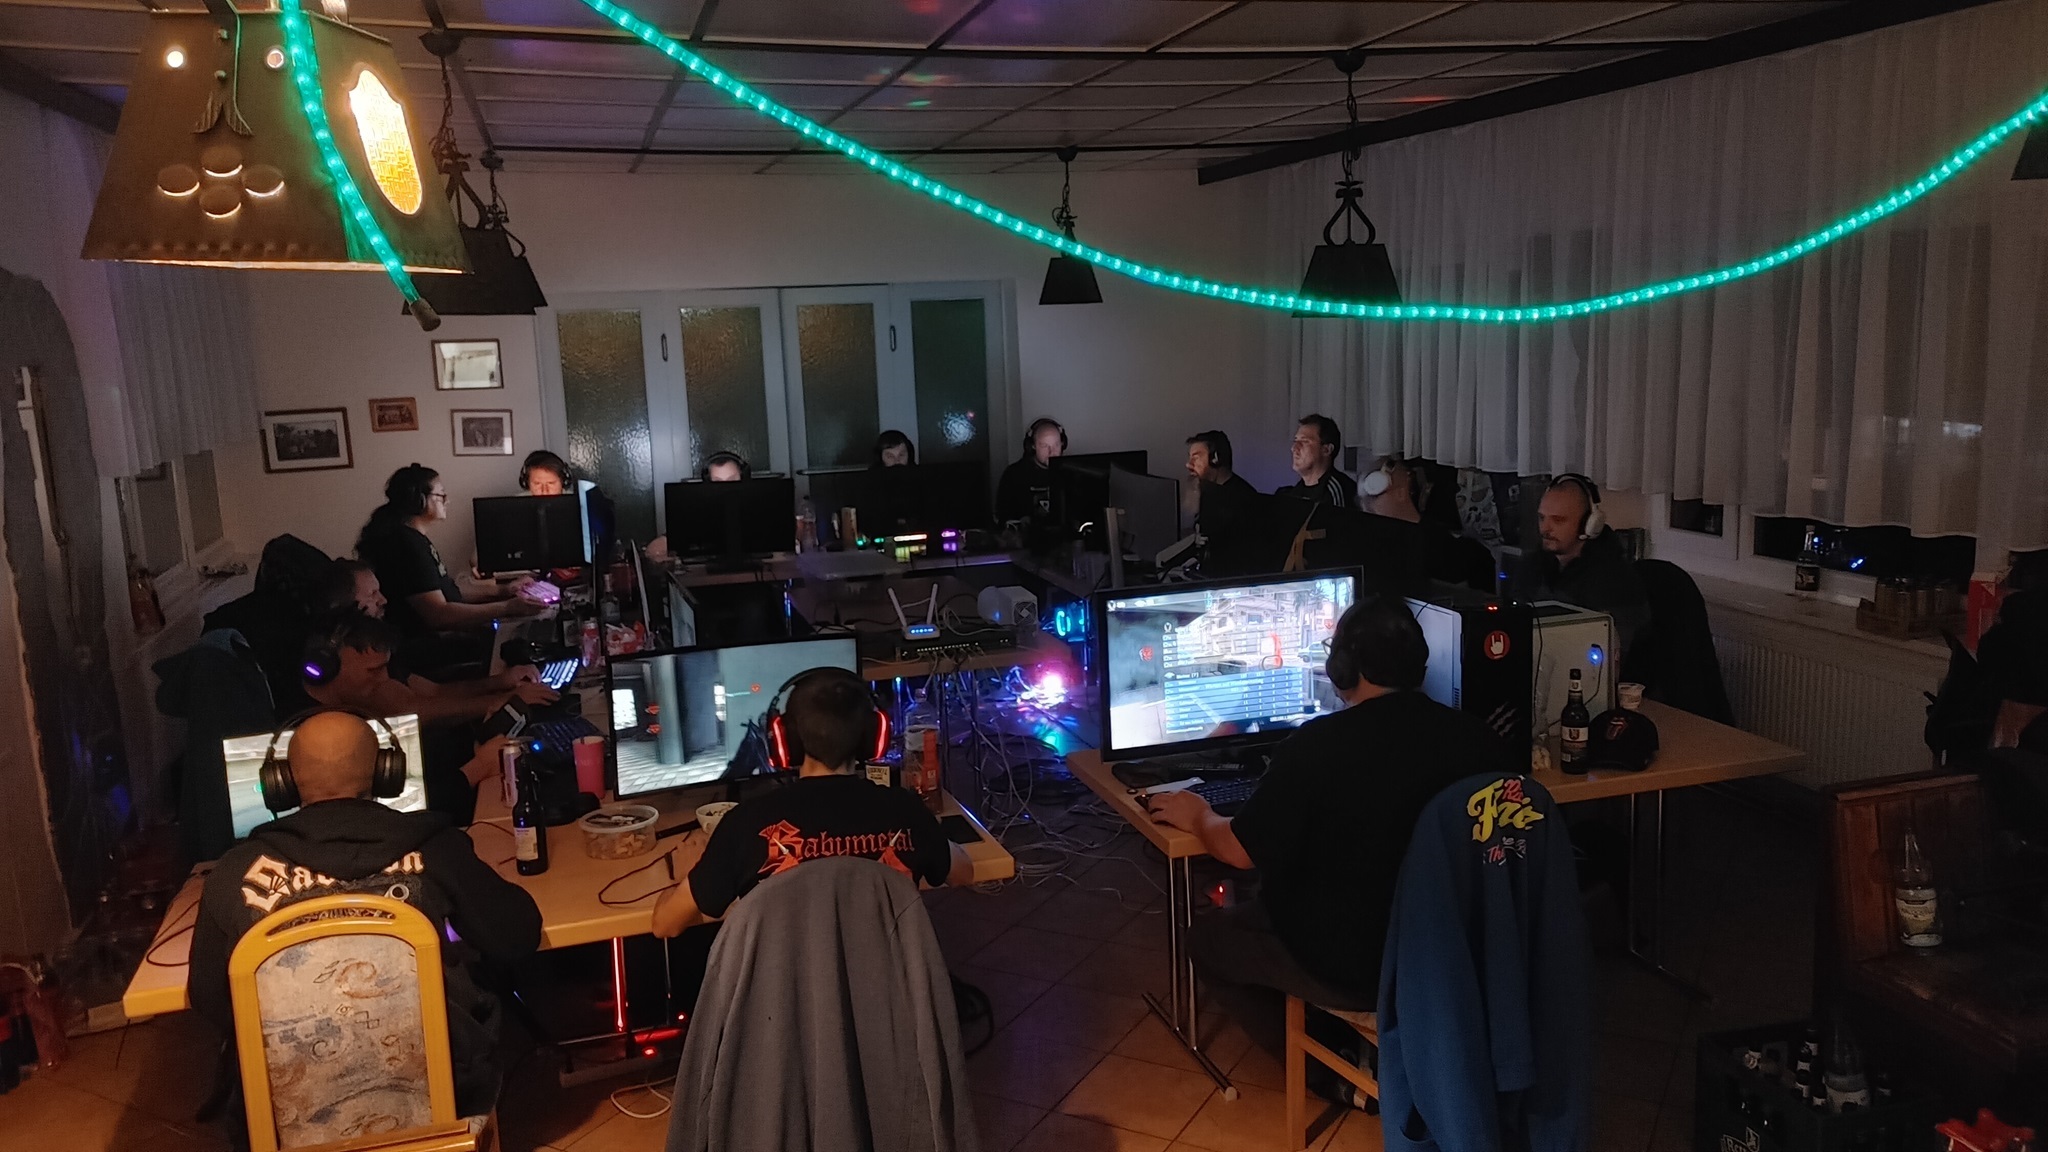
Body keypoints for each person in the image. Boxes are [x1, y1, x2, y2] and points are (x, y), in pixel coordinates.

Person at [1145, 596, 1513, 1102]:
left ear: (1342, 667)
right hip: (1458, 954)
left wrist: (1199, 815)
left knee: (1209, 939)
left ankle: (1334, 1074)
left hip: (1358, 968)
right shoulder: (1478, 740)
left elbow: (1239, 852)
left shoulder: (1315, 746)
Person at [188, 711, 541, 1126]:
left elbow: (211, 999)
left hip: (286, 1106)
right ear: (386, 773)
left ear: (282, 782)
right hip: (446, 1088)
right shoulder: (437, 848)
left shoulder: (234, 872)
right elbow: (516, 937)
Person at [649, 668, 974, 939]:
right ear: (873, 737)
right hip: (890, 992)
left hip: (785, 994)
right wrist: (930, 837)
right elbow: (963, 873)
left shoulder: (745, 823)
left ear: (783, 740)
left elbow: (666, 925)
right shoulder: (904, 810)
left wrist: (693, 870)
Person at [356, 465, 544, 671]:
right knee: (515, 649)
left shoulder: (411, 539)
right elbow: (438, 615)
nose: (447, 500)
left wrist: (503, 590)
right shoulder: (406, 546)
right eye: (441, 495)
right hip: (421, 648)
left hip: (427, 640)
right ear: (420, 500)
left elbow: (445, 591)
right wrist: (507, 607)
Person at [1516, 474, 1649, 653]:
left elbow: (1611, 654)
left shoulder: (1615, 580)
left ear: (1589, 524)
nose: (1545, 528)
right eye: (1542, 518)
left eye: (1558, 520)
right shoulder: (1533, 565)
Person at [1187, 430, 1258, 537]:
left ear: (1215, 459)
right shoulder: (1208, 492)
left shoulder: (1243, 500)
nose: (1189, 464)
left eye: (1196, 458)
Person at [995, 417, 1065, 524]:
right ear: (1032, 446)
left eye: (1056, 445)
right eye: (1044, 446)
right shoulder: (1014, 475)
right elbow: (1003, 516)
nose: (1052, 452)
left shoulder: (1072, 473)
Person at [1278, 414, 1356, 509]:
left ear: (1326, 450)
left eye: (1305, 441)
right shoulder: (1293, 493)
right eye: (1295, 441)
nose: (1294, 448)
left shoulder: (1337, 490)